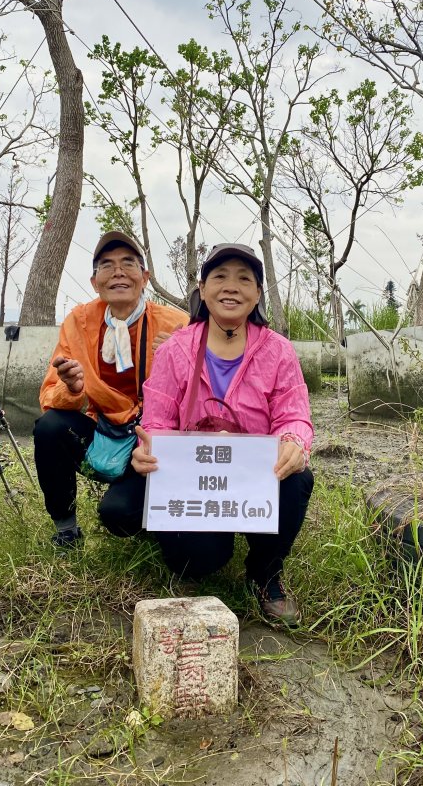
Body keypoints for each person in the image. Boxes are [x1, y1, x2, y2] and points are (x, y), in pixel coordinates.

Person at [99, 242, 314, 627]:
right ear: (202, 288)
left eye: (244, 279)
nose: (231, 287)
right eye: (220, 277)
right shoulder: (178, 349)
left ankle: (265, 575)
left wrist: (294, 444)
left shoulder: (279, 352)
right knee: (197, 559)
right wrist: (147, 450)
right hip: (193, 481)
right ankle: (172, 532)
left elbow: (294, 416)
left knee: (298, 479)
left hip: (251, 480)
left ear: (258, 293)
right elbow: (157, 420)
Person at [34, 230, 188, 546]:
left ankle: (157, 520)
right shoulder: (78, 321)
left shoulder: (177, 324)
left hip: (151, 438)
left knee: (118, 515)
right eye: (107, 265)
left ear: (144, 277)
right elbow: (49, 393)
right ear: (95, 282)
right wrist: (73, 388)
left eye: (128, 263)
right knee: (49, 427)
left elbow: (202, 401)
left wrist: (180, 360)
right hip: (101, 428)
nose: (118, 272)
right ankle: (66, 529)